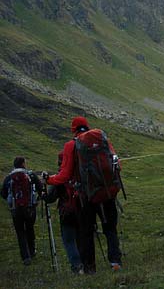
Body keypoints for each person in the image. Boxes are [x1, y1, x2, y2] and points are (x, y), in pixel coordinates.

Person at [44, 116, 123, 273]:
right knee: (110, 229)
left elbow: (64, 175)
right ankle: (115, 262)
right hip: (107, 192)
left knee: (86, 232)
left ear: (73, 130)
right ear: (87, 126)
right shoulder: (101, 139)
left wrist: (48, 180)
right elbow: (116, 163)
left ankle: (90, 268)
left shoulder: (70, 146)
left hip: (86, 196)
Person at [45, 151, 84, 274]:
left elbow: (50, 198)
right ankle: (85, 263)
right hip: (81, 211)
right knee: (81, 239)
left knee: (69, 241)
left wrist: (43, 194)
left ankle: (77, 266)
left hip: (66, 213)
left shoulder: (60, 177)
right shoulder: (79, 175)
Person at [1, 157, 43, 265]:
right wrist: (37, 200)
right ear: (23, 164)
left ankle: (25, 257)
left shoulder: (9, 177)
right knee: (30, 228)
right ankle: (32, 251)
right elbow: (40, 188)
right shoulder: (31, 175)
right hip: (30, 208)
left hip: (16, 209)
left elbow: (3, 193)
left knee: (20, 232)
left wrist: (11, 201)